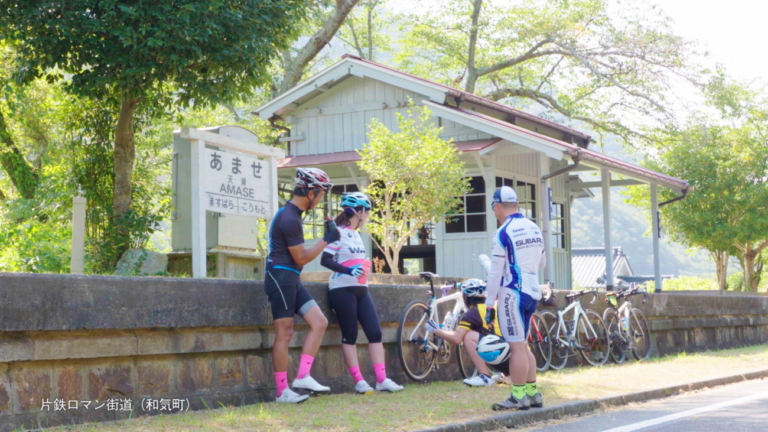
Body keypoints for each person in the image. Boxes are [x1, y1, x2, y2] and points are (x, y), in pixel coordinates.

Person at [264, 167, 340, 404]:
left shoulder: (293, 215)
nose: (321, 200)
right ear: (311, 193)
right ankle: (281, 392)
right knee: (284, 334)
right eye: (321, 194)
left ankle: (303, 376)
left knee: (319, 322)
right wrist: (327, 240)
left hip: (292, 278)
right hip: (281, 277)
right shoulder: (289, 217)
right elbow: (301, 257)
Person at [320, 192, 404, 394]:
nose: (367, 217)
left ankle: (382, 379)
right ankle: (359, 382)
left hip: (361, 289)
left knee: (375, 333)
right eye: (367, 213)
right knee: (350, 335)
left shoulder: (356, 234)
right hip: (341, 289)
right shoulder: (337, 232)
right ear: (359, 212)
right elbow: (326, 260)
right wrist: (349, 270)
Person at [484, 185, 546, 411]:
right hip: (533, 290)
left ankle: (518, 396)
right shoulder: (534, 227)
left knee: (517, 348)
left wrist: (489, 303)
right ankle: (532, 394)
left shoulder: (502, 232)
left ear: (498, 206)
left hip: (512, 292)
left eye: (493, 208)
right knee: (524, 346)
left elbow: (495, 272)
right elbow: (542, 263)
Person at [425, 278, 509, 387]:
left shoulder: (473, 312)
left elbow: (456, 338)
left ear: (465, 296)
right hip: (519, 361)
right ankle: (507, 375)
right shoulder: (494, 306)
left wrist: (435, 329)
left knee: (469, 336)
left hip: (504, 358)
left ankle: (485, 377)